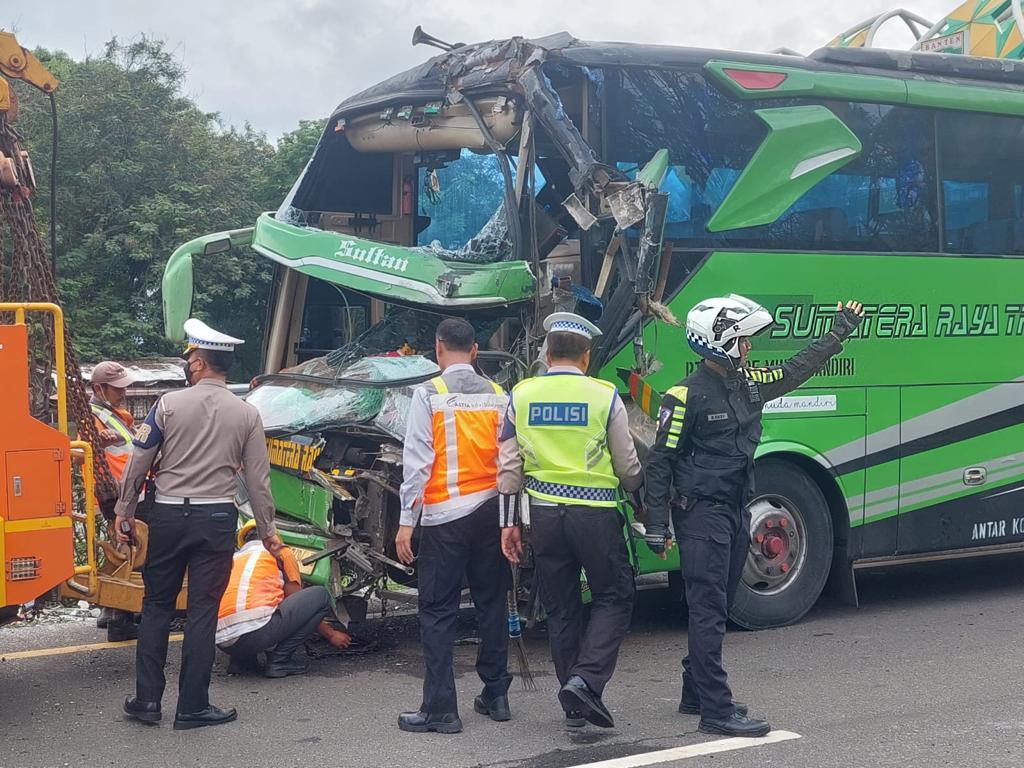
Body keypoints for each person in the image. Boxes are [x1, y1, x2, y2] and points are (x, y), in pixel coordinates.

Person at [643, 295, 864, 738]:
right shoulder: (682, 396)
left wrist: (838, 333)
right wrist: (655, 523)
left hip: (735, 512)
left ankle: (695, 690)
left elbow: (794, 370)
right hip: (700, 516)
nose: (749, 348)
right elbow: (659, 462)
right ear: (720, 341)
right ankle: (716, 710)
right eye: (743, 340)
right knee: (707, 610)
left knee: (718, 606)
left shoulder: (747, 384)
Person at [115, 318, 281, 731]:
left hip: (169, 515)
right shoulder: (247, 413)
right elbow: (258, 480)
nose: (189, 365)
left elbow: (139, 460)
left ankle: (147, 702)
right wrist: (268, 531)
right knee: (203, 613)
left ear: (202, 364)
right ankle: (192, 707)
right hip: (217, 519)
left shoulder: (168, 405)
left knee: (156, 607)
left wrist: (124, 510)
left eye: (192, 359)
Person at [498, 312, 643, 729]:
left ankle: (574, 706)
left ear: (547, 353)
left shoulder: (521, 394)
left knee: (561, 608)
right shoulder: (603, 395)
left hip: (543, 515)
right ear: (586, 355)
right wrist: (638, 491)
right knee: (615, 595)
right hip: (595, 514)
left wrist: (508, 523)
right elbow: (627, 463)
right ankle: (585, 681)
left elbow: (508, 467)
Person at [395, 317, 512, 735]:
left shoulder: (429, 394)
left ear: (438, 349)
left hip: (446, 517)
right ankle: (496, 694)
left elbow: (418, 461)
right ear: (476, 351)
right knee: (491, 603)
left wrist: (407, 521)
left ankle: (441, 708)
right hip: (491, 513)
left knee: (438, 610)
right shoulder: (500, 395)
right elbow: (511, 459)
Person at [216, 521, 351, 678]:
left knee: (249, 608)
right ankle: (279, 661)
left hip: (222, 641)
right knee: (320, 597)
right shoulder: (279, 553)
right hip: (255, 634)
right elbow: (296, 600)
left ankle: (241, 661)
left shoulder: (234, 558)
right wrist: (331, 634)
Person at [89, 361, 141, 641]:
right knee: (129, 552)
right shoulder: (94, 415)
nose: (123, 392)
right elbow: (86, 443)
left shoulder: (114, 413)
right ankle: (120, 619)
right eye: (117, 388)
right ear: (100, 388)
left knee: (119, 550)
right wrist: (100, 440)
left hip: (124, 491)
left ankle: (110, 612)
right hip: (116, 494)